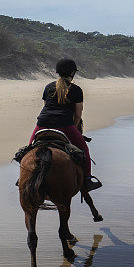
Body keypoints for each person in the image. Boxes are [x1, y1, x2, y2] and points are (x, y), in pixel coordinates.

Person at [29, 58, 102, 191]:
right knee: (84, 150)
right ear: (73, 73)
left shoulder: (48, 87)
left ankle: (25, 176)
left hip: (43, 123)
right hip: (64, 125)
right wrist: (72, 127)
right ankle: (87, 179)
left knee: (29, 149)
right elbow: (78, 115)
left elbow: (46, 107)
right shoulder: (76, 90)